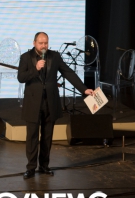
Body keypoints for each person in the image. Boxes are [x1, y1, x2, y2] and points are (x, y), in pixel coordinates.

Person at [17, 32, 94, 179]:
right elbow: (21, 77)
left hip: (50, 102)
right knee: (32, 136)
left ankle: (44, 166)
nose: (44, 46)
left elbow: (68, 73)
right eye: (41, 43)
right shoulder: (26, 57)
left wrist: (84, 89)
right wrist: (35, 69)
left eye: (46, 43)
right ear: (34, 43)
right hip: (33, 103)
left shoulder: (55, 56)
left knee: (47, 136)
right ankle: (31, 168)